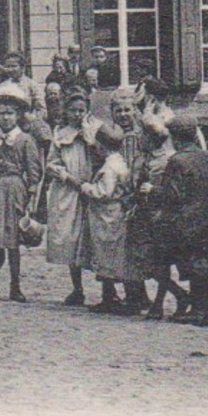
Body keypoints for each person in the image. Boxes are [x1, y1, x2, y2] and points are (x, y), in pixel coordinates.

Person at [152, 110, 208, 327]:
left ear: (174, 137)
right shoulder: (206, 156)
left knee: (194, 267)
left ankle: (199, 312)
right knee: (203, 263)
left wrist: (153, 190)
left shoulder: (177, 161)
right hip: (207, 219)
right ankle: (204, 308)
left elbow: (173, 195)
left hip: (186, 221)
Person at [0, 85, 42, 302]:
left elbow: (34, 171)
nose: (5, 118)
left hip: (13, 189)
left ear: (18, 116)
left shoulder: (24, 140)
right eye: (1, 113)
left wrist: (30, 197)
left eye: (10, 113)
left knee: (12, 240)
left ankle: (15, 286)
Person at [128, 118, 189, 321]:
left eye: (142, 136)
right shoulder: (142, 158)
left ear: (151, 138)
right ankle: (179, 295)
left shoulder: (168, 160)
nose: (139, 139)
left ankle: (160, 302)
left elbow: (174, 192)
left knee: (159, 261)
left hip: (159, 216)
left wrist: (153, 191)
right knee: (143, 260)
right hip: (142, 214)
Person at [44, 83, 95, 306]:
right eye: (73, 110)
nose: (77, 114)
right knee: (71, 237)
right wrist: (69, 178)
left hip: (93, 189)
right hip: (69, 192)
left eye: (81, 110)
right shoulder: (60, 134)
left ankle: (109, 288)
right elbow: (51, 165)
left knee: (96, 237)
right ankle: (77, 288)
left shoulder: (95, 131)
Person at [79, 122, 131, 314]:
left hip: (107, 214)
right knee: (110, 254)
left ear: (102, 146)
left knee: (106, 254)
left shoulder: (109, 167)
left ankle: (110, 297)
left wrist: (87, 187)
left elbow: (104, 192)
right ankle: (111, 295)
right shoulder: (120, 162)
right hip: (114, 212)